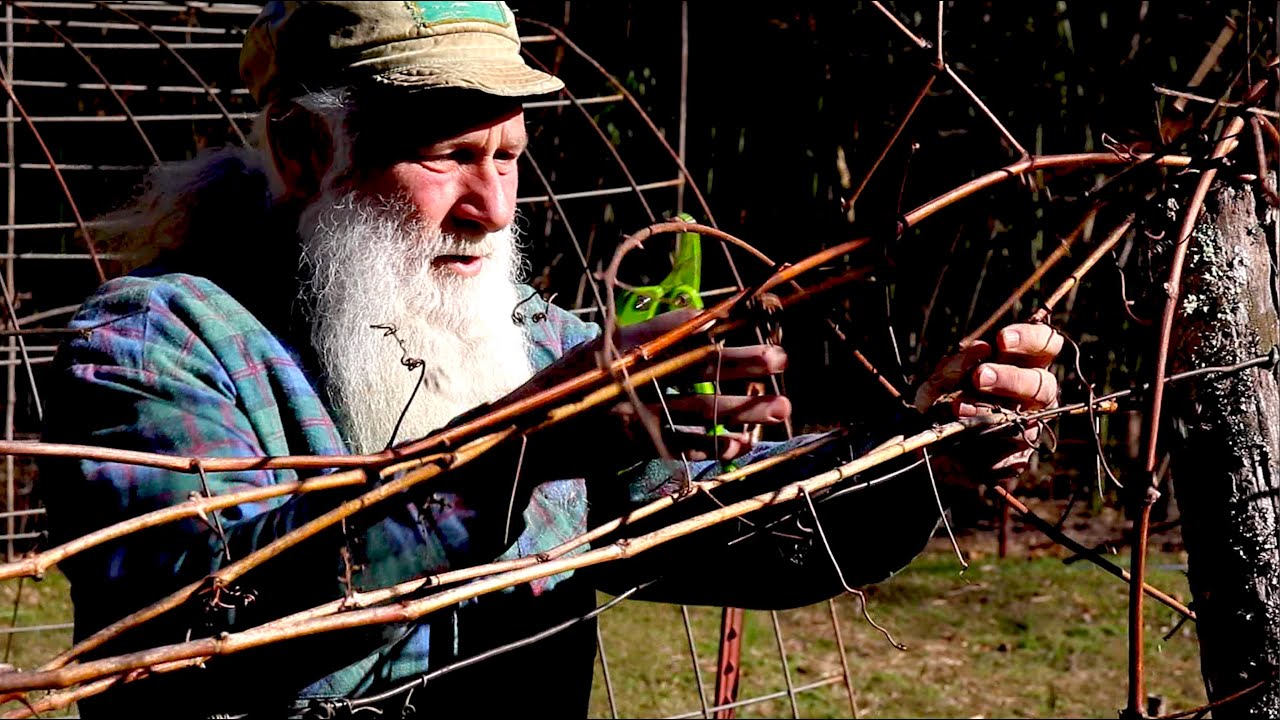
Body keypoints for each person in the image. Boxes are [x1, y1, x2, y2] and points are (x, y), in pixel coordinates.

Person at [37, 2, 1063, 718]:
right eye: (446, 156)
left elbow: (733, 534)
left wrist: (921, 450)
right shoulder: (155, 345)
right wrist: (519, 447)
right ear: (305, 152)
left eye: (509, 158)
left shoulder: (534, 342)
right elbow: (187, 629)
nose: (490, 210)